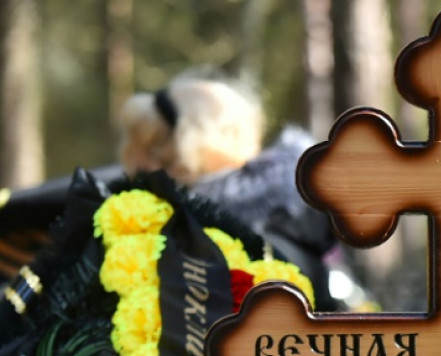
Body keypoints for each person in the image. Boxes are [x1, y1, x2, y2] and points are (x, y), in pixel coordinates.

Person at [117, 69, 345, 312]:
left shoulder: (244, 239)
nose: (139, 166)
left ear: (185, 152)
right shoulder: (278, 212)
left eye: (152, 148)